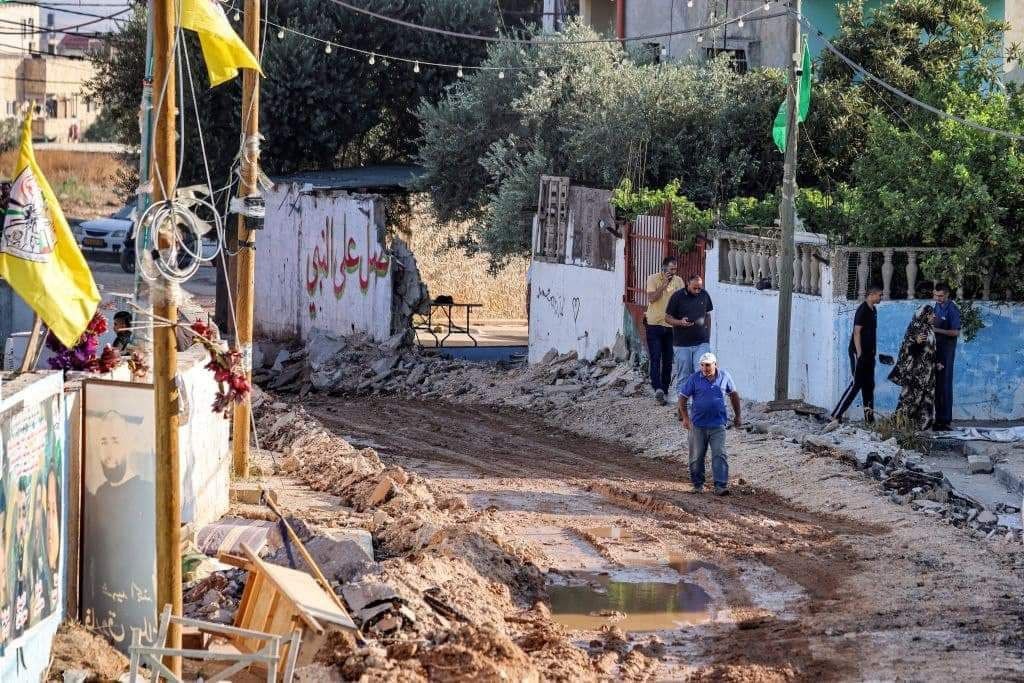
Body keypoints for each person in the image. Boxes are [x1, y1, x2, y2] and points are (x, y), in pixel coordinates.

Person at [678, 352, 741, 496]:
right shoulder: (694, 378)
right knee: (696, 456)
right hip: (698, 425)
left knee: (719, 453)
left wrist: (738, 416)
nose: (704, 368)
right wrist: (685, 419)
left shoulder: (724, 376)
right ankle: (698, 484)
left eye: (707, 365)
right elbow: (682, 398)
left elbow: (734, 395)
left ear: (715, 364)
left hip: (718, 424)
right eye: (702, 365)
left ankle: (720, 485)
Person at [824, 284, 882, 432]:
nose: (881, 297)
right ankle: (836, 415)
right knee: (856, 385)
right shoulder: (862, 310)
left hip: (870, 355)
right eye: (879, 295)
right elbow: (857, 332)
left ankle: (869, 420)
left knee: (869, 386)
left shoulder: (873, 310)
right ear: (872, 294)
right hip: (860, 354)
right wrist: (859, 353)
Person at [888, 305, 938, 431]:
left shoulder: (929, 328)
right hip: (916, 372)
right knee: (909, 399)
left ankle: (921, 427)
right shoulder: (916, 328)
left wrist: (936, 362)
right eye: (932, 314)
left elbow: (930, 349)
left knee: (925, 399)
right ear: (925, 315)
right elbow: (907, 349)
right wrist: (916, 343)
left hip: (928, 372)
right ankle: (899, 427)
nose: (934, 316)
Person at [644, 257, 684, 405]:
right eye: (671, 269)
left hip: (670, 325)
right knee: (655, 357)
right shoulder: (653, 279)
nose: (674, 272)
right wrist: (663, 285)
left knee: (668, 360)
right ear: (664, 268)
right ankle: (657, 388)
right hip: (654, 323)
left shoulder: (679, 281)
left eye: (675, 269)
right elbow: (652, 298)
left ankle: (664, 390)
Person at [665, 274, 713, 392]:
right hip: (682, 344)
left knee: (703, 374)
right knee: (684, 377)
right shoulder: (677, 297)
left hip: (701, 343)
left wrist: (708, 337)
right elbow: (667, 318)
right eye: (694, 288)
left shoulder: (704, 295)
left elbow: (707, 315)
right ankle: (682, 407)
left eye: (699, 288)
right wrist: (680, 322)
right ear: (688, 284)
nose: (697, 291)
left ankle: (698, 406)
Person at [932, 283, 961, 431]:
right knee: (936, 385)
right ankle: (938, 418)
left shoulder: (952, 309)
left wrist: (937, 330)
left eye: (941, 296)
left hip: (946, 351)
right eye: (936, 295)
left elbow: (955, 332)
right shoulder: (936, 307)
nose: (938, 298)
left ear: (947, 295)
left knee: (944, 385)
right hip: (936, 349)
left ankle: (945, 420)